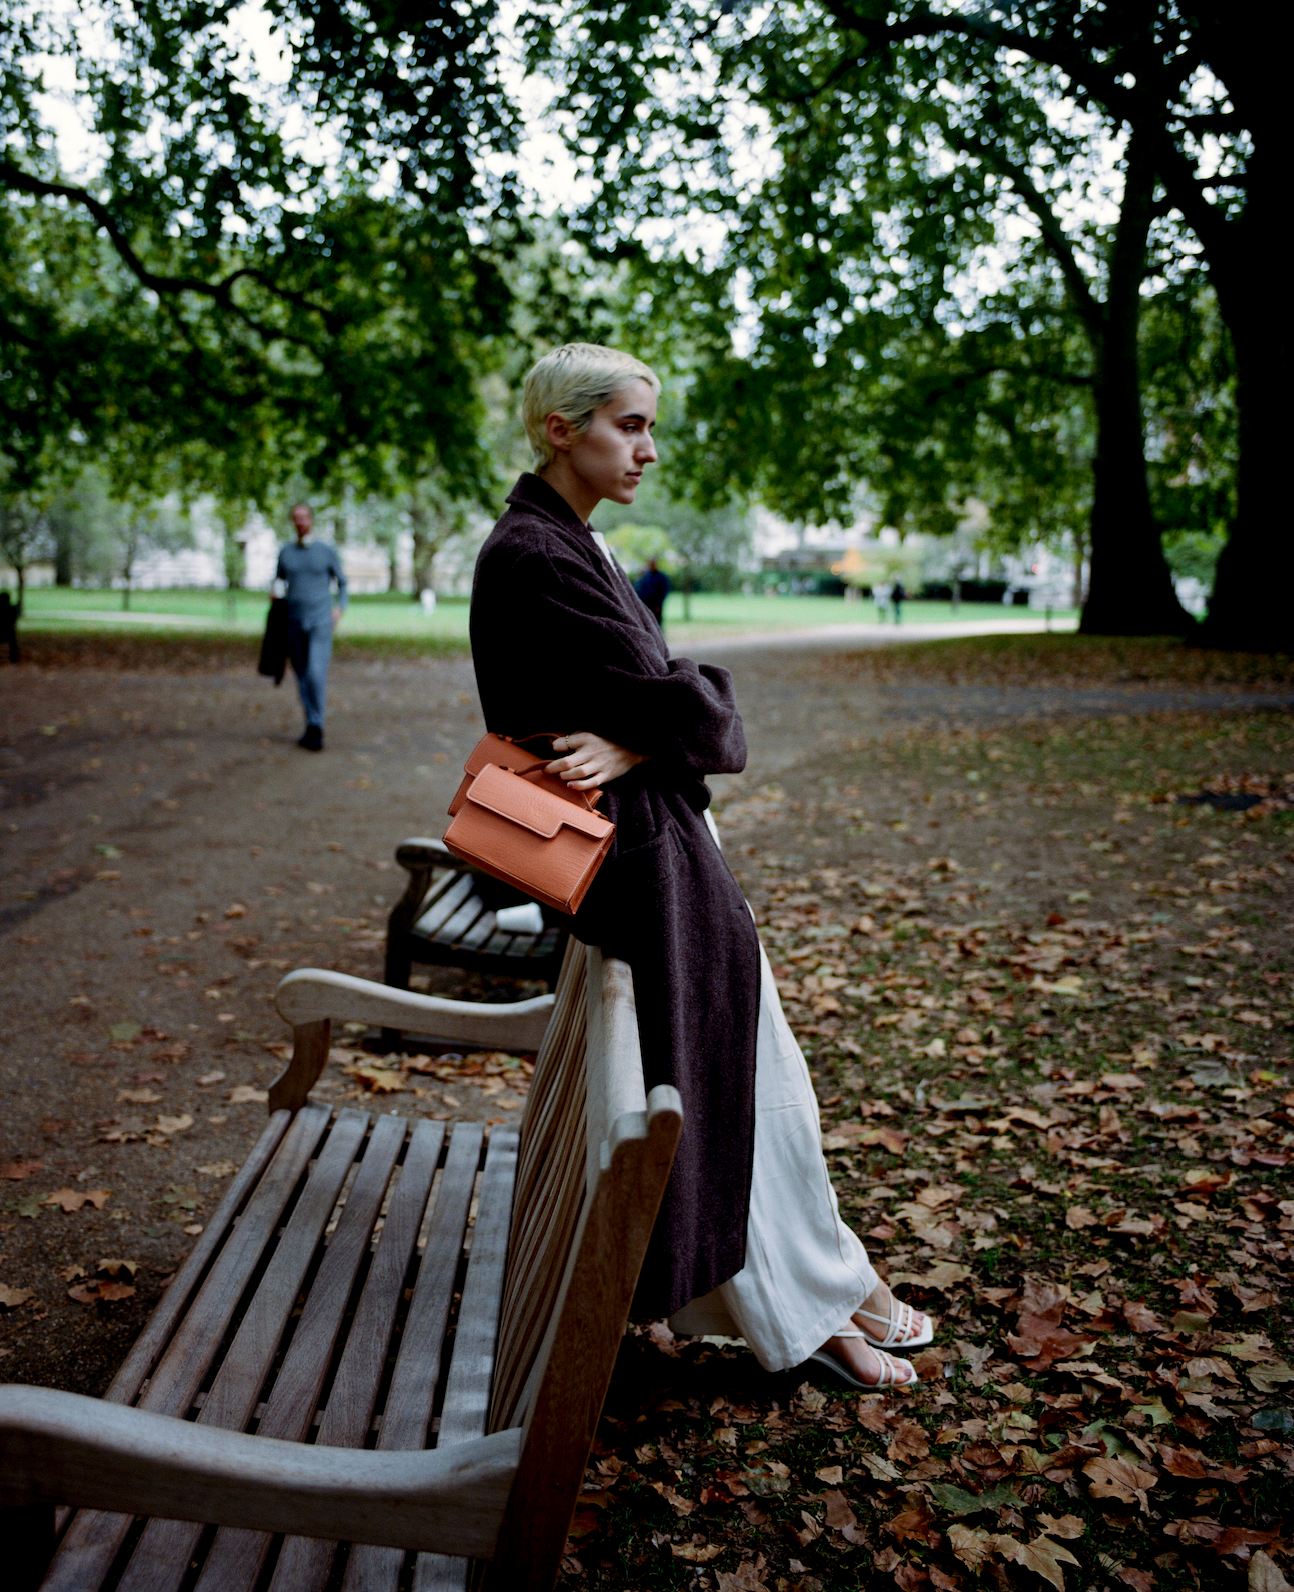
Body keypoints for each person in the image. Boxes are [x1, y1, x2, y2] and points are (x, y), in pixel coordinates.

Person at [470, 343, 932, 1388]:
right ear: (560, 428)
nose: (647, 448)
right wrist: (660, 721)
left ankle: (826, 1280)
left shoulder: (568, 542)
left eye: (648, 426)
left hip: (656, 846)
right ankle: (803, 1309)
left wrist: (638, 734)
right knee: (732, 1087)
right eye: (628, 425)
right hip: (642, 870)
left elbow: (670, 704)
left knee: (759, 1081)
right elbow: (702, 705)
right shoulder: (536, 556)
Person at [273, 503, 347, 751]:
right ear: (292, 522)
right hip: (293, 622)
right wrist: (275, 594)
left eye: (304, 517)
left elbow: (342, 583)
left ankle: (317, 726)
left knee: (316, 674)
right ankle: (311, 725)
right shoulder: (285, 552)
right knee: (302, 676)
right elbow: (279, 580)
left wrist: (340, 608)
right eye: (296, 518)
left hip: (320, 621)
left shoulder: (326, 551)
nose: (301, 522)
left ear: (311, 520)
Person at [634, 557, 672, 628]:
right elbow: (639, 589)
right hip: (646, 604)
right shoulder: (645, 576)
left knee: (657, 624)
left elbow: (664, 591)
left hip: (656, 605)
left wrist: (659, 604)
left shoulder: (661, 577)